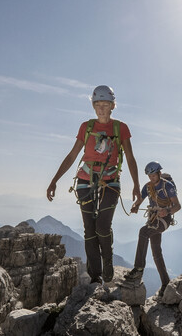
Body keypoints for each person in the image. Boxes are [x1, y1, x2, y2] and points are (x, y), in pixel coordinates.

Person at [47, 85, 141, 284]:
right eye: (97, 104)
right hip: (85, 179)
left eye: (105, 104)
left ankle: (107, 260)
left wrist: (136, 186)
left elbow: (131, 158)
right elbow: (73, 155)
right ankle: (95, 275)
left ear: (113, 105)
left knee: (102, 225)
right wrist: (54, 180)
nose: (100, 109)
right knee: (89, 228)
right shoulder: (86, 127)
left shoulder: (120, 128)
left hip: (110, 180)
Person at [124, 161, 181, 297]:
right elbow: (141, 199)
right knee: (156, 251)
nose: (151, 178)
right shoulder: (148, 187)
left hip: (164, 219)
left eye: (153, 175)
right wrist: (136, 206)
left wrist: (167, 212)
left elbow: (177, 206)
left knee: (143, 232)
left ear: (159, 173)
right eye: (149, 176)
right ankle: (165, 282)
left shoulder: (168, 186)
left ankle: (138, 269)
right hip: (153, 218)